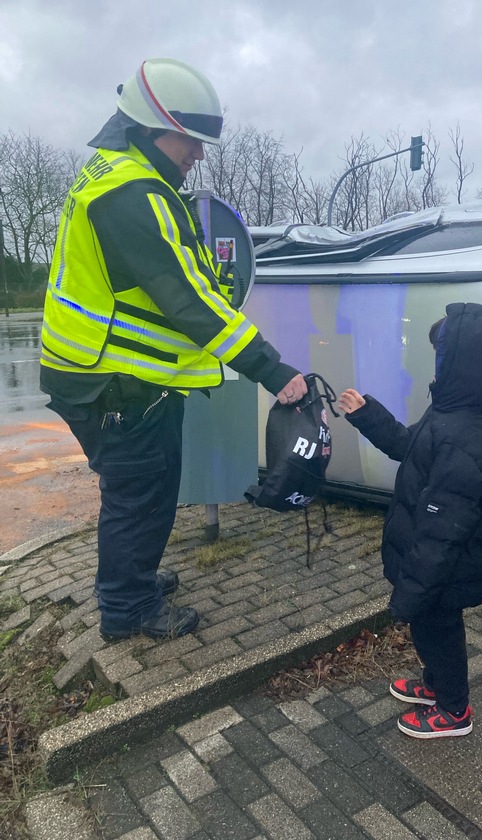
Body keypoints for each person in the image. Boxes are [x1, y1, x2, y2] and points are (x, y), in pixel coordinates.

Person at [39, 58, 307, 642]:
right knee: (137, 498)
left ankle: (135, 581)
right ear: (152, 126)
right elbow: (188, 301)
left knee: (150, 491)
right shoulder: (133, 195)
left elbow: (189, 285)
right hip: (115, 382)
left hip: (110, 376)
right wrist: (272, 368)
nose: (199, 155)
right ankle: (126, 611)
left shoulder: (121, 179)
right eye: (192, 140)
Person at [338, 302, 482, 739]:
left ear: (464, 369)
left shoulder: (462, 438)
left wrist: (410, 593)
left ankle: (455, 711)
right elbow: (407, 446)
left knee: (438, 633)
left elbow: (442, 535)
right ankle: (436, 686)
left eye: (443, 358)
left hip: (443, 572)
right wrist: (367, 414)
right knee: (434, 632)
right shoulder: (448, 416)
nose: (435, 368)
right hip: (437, 570)